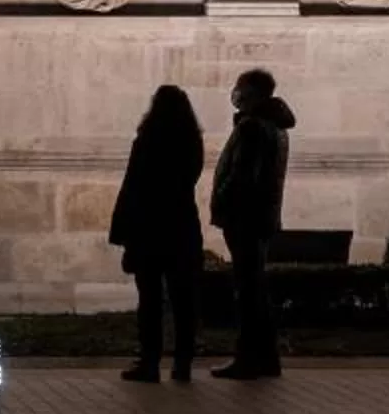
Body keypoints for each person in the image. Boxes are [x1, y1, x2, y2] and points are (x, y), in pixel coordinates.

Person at [108, 84, 205, 382]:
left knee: (149, 300)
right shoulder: (192, 141)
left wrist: (122, 232)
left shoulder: (148, 139)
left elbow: (133, 186)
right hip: (182, 226)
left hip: (149, 228)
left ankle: (149, 362)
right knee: (183, 301)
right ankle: (183, 364)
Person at [209, 67, 296, 379]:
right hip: (262, 217)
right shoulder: (276, 127)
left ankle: (248, 359)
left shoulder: (252, 128)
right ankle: (267, 358)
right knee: (255, 288)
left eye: (240, 87)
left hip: (244, 218)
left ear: (252, 93)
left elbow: (243, 177)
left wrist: (220, 199)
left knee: (248, 291)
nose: (235, 93)